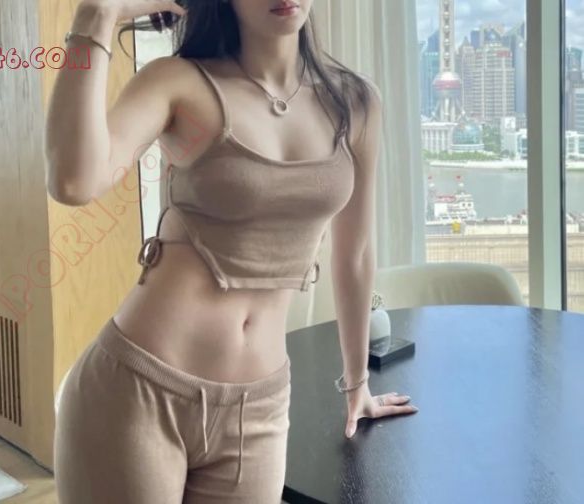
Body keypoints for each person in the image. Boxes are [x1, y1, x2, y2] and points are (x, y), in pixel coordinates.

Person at [45, 0, 418, 502]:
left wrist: (357, 384)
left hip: (259, 408)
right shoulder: (180, 83)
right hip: (139, 393)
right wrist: (96, 16)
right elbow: (73, 180)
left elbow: (355, 255)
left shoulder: (354, 102)